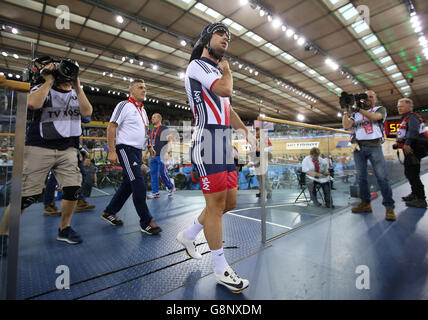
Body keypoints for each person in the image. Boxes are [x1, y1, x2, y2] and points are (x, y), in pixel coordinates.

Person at [176, 22, 256, 293]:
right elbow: (225, 90)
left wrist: (246, 132)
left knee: (229, 202)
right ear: (206, 39)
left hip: (222, 140)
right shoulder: (198, 65)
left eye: (229, 36)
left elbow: (227, 105)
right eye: (221, 33)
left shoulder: (216, 72)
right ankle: (220, 267)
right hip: (206, 140)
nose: (226, 38)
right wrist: (229, 71)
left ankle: (188, 235)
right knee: (215, 206)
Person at [0, 58, 92, 255]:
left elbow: (87, 112)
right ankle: (3, 233)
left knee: (73, 188)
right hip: (40, 146)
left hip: (68, 148)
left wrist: (77, 86)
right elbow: (32, 104)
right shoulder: (42, 89)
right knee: (27, 195)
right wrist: (48, 80)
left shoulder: (76, 93)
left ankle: (64, 228)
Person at [101, 79, 162, 235]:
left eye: (145, 87)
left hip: (136, 151)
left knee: (128, 184)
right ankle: (146, 222)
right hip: (125, 149)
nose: (144, 90)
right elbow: (111, 126)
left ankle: (109, 212)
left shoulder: (142, 110)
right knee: (139, 184)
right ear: (131, 91)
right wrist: (111, 150)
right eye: (140, 87)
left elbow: (143, 130)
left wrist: (149, 146)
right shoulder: (124, 105)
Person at [342, 90, 396, 221]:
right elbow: (345, 126)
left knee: (382, 177)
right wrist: (346, 109)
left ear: (375, 99)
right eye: (366, 97)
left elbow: (375, 117)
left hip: (374, 146)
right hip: (358, 147)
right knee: (361, 178)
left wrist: (359, 109)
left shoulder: (380, 109)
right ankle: (365, 204)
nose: (368, 99)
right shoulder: (356, 113)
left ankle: (389, 207)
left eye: (371, 97)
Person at [396, 98, 428, 208]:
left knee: (412, 174)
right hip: (412, 147)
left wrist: (407, 143)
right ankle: (415, 194)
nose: (399, 108)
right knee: (410, 173)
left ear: (410, 107)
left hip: (414, 148)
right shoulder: (406, 118)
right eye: (398, 106)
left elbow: (413, 131)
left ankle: (421, 199)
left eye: (402, 106)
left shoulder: (412, 116)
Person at [144, 113, 175, 199]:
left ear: (159, 119)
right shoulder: (151, 130)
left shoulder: (164, 129)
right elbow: (150, 143)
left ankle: (171, 187)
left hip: (162, 155)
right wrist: (146, 153)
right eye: (152, 117)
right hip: (153, 156)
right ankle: (155, 193)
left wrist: (166, 152)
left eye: (154, 117)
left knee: (162, 173)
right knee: (153, 174)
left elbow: (170, 142)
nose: (152, 119)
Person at [255, 127, 272, 199]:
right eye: (256, 133)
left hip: (263, 159)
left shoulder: (265, 138)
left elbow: (271, 147)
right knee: (259, 178)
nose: (257, 134)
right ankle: (261, 192)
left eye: (258, 133)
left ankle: (269, 192)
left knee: (265, 177)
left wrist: (263, 150)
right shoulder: (254, 139)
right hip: (256, 160)